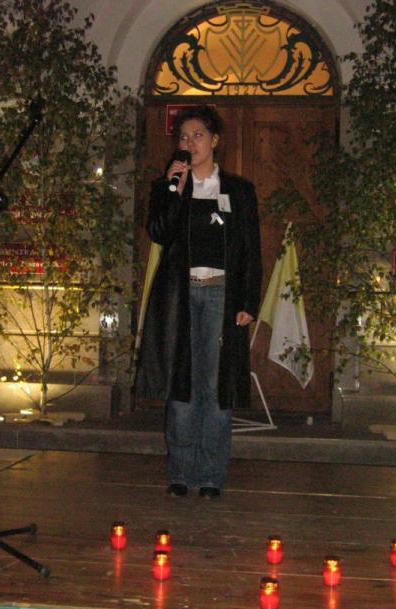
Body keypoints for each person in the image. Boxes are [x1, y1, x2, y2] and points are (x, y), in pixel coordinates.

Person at [136, 105, 262, 498]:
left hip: (223, 297)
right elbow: (159, 232)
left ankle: (211, 476)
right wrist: (174, 189)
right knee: (183, 385)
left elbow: (251, 250)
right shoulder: (168, 187)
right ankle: (180, 472)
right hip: (181, 297)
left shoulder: (239, 191)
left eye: (198, 135)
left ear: (214, 140)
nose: (190, 143)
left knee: (215, 388)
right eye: (183, 137)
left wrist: (248, 301)